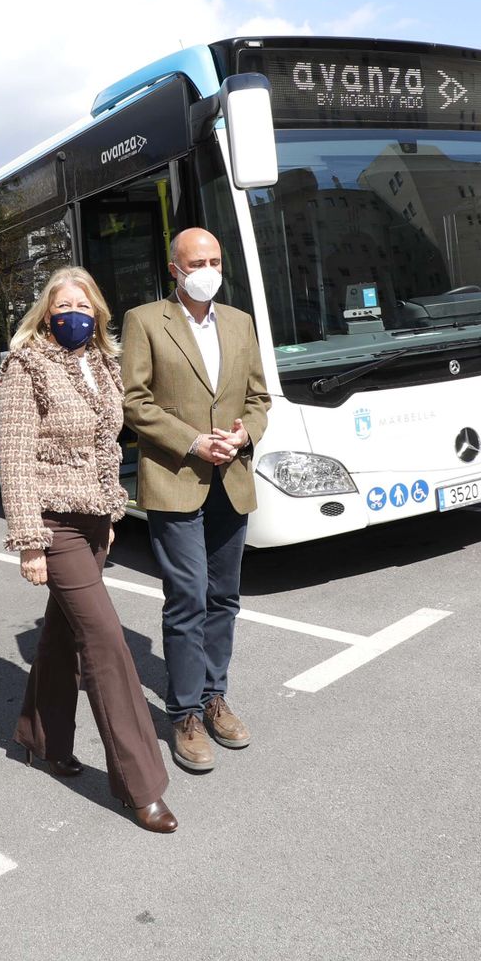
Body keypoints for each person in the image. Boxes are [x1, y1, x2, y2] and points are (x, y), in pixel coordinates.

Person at [0, 267, 177, 834]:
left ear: (97, 310)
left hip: (94, 520)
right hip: (54, 523)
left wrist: (111, 510)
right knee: (104, 642)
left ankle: (39, 737)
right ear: (45, 314)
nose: (71, 312)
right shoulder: (26, 365)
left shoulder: (103, 364)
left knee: (61, 636)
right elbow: (16, 457)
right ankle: (141, 785)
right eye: (60, 304)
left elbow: (105, 447)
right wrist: (30, 541)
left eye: (81, 302)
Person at [121, 228, 271, 773]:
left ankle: (214, 695)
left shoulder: (239, 322)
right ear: (175, 270)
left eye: (214, 260)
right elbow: (133, 402)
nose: (207, 269)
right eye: (196, 262)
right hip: (176, 478)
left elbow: (258, 397)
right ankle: (183, 712)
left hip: (231, 476)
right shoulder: (145, 322)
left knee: (224, 597)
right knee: (188, 596)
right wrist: (192, 440)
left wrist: (243, 435)